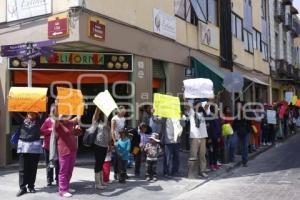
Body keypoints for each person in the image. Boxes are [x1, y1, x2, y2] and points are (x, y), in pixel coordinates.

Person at [54, 107, 82, 198]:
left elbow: (78, 117)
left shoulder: (70, 122)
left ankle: (67, 187)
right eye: (64, 116)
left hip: (73, 150)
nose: (66, 117)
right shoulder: (58, 125)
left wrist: (79, 106)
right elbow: (56, 117)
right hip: (64, 151)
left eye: (67, 115)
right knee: (63, 171)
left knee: (70, 170)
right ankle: (62, 190)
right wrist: (57, 105)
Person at [16, 112, 43, 197]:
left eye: (33, 113)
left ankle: (31, 186)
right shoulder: (22, 120)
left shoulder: (39, 121)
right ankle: (22, 188)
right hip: (23, 146)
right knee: (22, 168)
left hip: (34, 147)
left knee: (33, 168)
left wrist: (45, 102)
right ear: (27, 114)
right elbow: (14, 112)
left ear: (36, 114)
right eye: (30, 113)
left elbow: (44, 113)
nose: (31, 114)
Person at [88, 107, 111, 190]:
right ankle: (97, 183)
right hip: (98, 145)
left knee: (101, 163)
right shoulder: (96, 121)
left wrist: (109, 145)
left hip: (105, 145)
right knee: (98, 163)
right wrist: (99, 106)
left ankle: (101, 181)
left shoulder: (106, 123)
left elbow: (109, 134)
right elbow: (96, 114)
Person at [188, 100, 208, 178]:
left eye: (200, 104)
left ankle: (202, 171)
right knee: (194, 155)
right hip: (195, 137)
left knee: (202, 155)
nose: (199, 106)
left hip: (203, 136)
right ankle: (193, 172)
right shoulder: (191, 112)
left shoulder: (203, 113)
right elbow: (186, 102)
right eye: (197, 104)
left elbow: (208, 103)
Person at [40, 106, 59, 187]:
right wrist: (50, 130)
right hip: (48, 146)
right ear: (52, 112)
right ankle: (49, 180)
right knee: (49, 164)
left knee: (58, 164)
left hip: (58, 146)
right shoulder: (47, 120)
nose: (55, 113)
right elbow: (41, 131)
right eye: (54, 111)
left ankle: (58, 180)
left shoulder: (60, 121)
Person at [232, 101, 252, 167]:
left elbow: (250, 122)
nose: (238, 107)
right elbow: (234, 122)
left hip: (245, 131)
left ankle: (244, 161)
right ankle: (232, 158)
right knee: (233, 143)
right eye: (237, 105)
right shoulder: (236, 112)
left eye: (239, 105)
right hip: (237, 131)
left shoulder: (247, 112)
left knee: (245, 147)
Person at [111, 106, 126, 180]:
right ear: (119, 112)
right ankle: (115, 173)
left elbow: (123, 129)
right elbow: (112, 131)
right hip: (116, 140)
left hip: (122, 139)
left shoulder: (123, 118)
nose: (124, 114)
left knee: (122, 157)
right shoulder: (114, 119)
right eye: (123, 112)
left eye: (124, 113)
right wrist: (114, 141)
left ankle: (122, 173)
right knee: (116, 158)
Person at [206, 105, 221, 171]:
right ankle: (211, 164)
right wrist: (209, 138)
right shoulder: (209, 117)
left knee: (216, 151)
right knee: (211, 151)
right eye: (216, 109)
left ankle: (215, 163)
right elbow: (208, 129)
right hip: (211, 138)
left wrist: (219, 136)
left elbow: (219, 128)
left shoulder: (217, 117)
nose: (217, 110)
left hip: (216, 137)